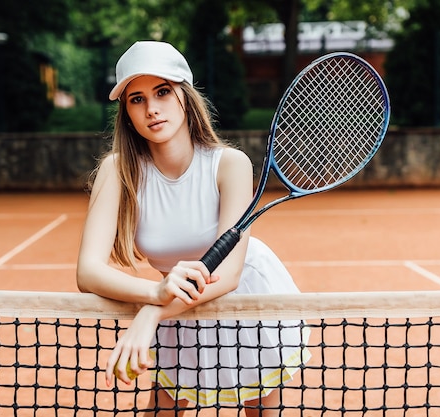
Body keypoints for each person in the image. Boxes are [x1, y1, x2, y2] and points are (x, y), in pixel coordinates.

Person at [76, 41, 310, 416]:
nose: (152, 108)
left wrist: (151, 313)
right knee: (162, 408)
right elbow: (87, 272)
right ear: (127, 112)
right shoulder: (116, 172)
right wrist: (156, 292)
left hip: (243, 299)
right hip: (174, 295)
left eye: (163, 91)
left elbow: (230, 275)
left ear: (185, 96)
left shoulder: (230, 164)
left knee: (261, 410)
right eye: (136, 99)